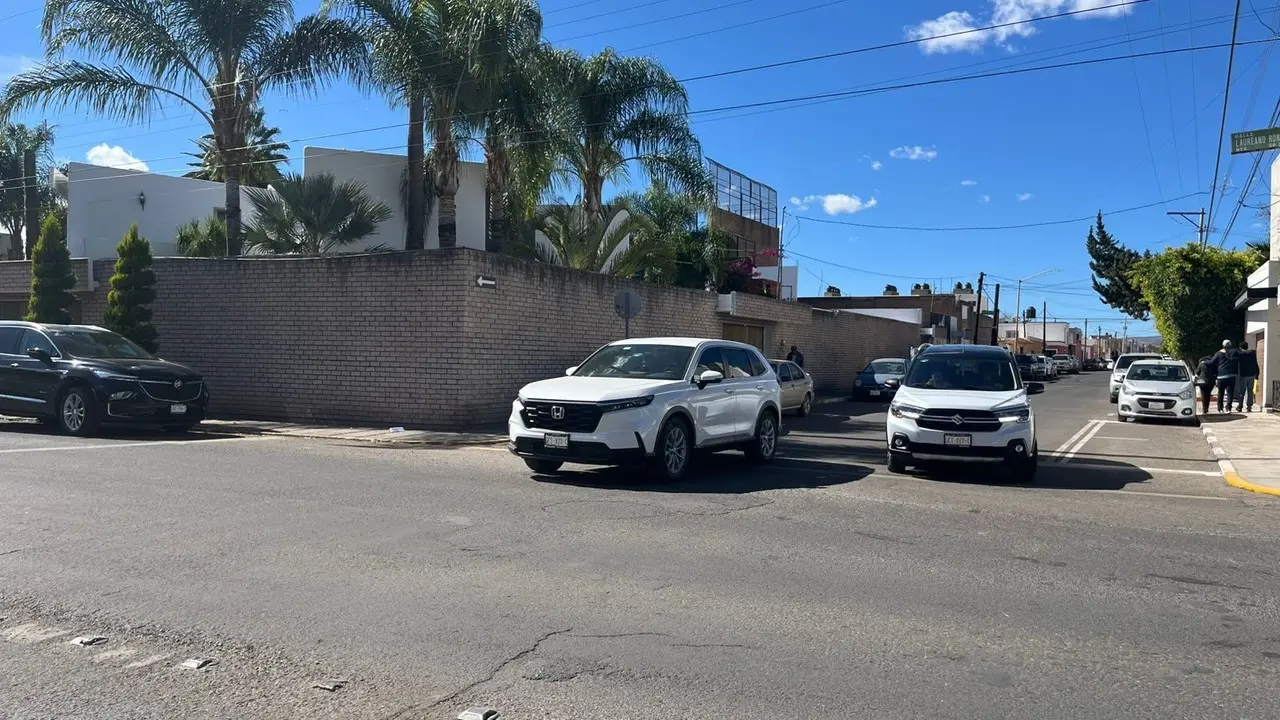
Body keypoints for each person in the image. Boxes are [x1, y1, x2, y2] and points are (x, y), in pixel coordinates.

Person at [1214, 340, 1240, 413]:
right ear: (1230, 345)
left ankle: (1220, 408)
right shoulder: (1234, 352)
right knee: (1230, 393)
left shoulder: (1218, 353)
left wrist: (1204, 362)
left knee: (1220, 393)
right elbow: (1241, 356)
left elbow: (1212, 362)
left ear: (1223, 345)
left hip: (1221, 376)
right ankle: (1228, 408)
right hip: (1231, 376)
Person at [1236, 340, 1259, 412]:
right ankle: (1249, 407)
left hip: (1243, 375)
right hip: (1251, 375)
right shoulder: (1252, 353)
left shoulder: (1240, 354)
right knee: (1250, 391)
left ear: (1240, 347)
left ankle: (1240, 406)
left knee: (1241, 391)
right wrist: (1257, 373)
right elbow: (1255, 363)